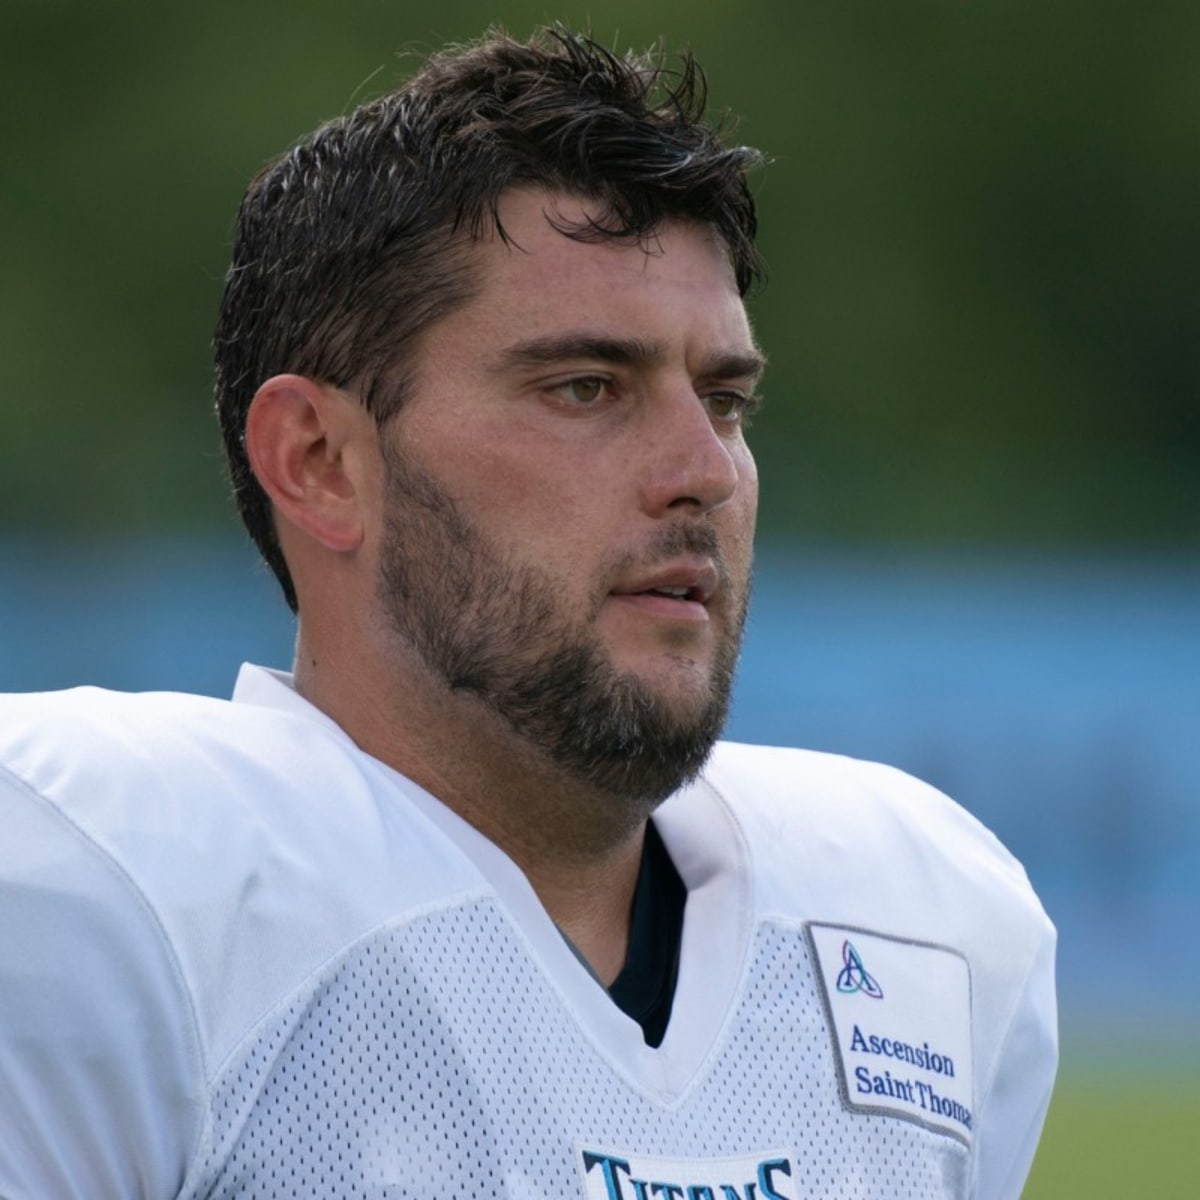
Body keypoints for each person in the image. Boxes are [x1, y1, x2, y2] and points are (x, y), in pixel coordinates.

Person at [0, 27, 1055, 1200]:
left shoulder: (919, 926)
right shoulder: (100, 892)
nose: (702, 469)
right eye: (586, 388)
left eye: (725, 398)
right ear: (321, 462)